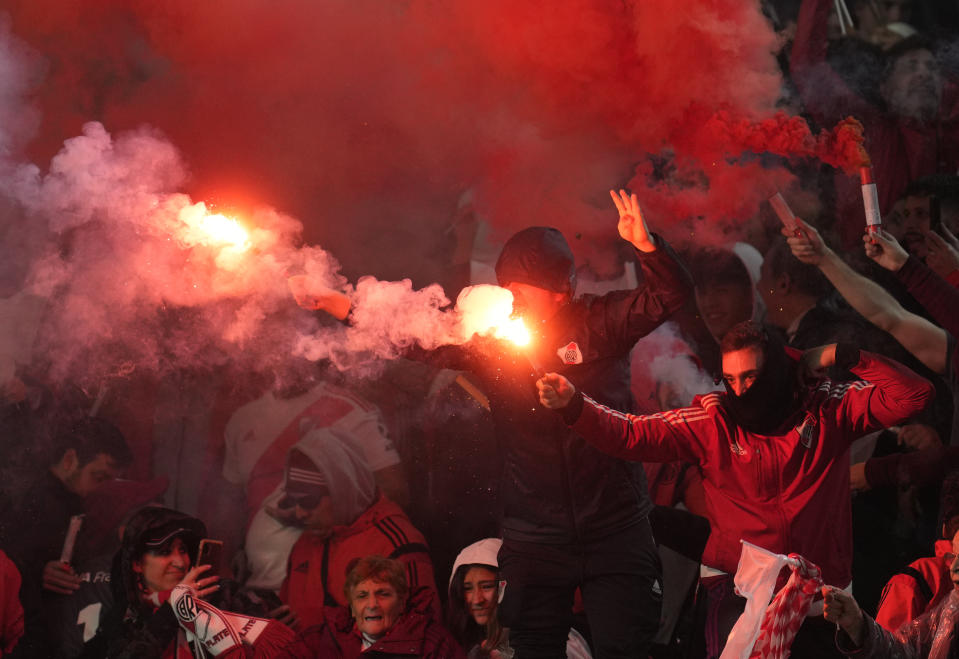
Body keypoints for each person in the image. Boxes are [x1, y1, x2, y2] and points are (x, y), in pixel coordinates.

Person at [296, 189, 693, 657]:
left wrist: (648, 248)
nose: (512, 301)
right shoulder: (492, 337)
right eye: (507, 289)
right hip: (534, 534)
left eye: (524, 291)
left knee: (625, 649)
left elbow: (670, 296)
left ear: (561, 289)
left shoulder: (602, 321)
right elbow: (423, 338)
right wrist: (342, 306)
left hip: (615, 526)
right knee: (530, 648)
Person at [537, 320, 935, 657]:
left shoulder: (828, 407)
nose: (741, 392)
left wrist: (839, 354)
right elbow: (631, 434)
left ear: (780, 370)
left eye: (752, 377)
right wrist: (575, 405)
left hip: (823, 598)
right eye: (731, 379)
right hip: (738, 589)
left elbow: (916, 395)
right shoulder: (713, 417)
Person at [791, 0, 959, 247]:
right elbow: (808, 68)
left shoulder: (948, 134)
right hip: (864, 271)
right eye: (911, 66)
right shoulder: (863, 127)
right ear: (885, 87)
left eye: (932, 68)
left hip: (937, 277)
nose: (924, 73)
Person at [80, 507, 304, 658]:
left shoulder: (218, 595)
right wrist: (174, 610)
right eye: (164, 552)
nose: (179, 562)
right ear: (137, 563)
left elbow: (267, 620)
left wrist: (261, 627)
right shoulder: (124, 617)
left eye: (183, 550)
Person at [275, 430, 438, 629]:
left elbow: (424, 637)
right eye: (292, 500)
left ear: (341, 489)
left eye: (309, 501)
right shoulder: (304, 545)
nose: (299, 513)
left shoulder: (398, 544)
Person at [0, 415, 132, 658]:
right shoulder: (29, 497)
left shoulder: (73, 501)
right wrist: (38, 572)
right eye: (98, 476)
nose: (100, 487)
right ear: (70, 460)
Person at [445, 538, 592, 658]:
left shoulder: (551, 634)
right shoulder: (467, 646)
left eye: (486, 586)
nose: (477, 599)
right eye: (468, 588)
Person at [301, 554, 464, 658]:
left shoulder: (436, 646)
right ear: (351, 606)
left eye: (383, 594)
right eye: (362, 596)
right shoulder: (321, 638)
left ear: (401, 602)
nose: (372, 604)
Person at [825, 578, 959, 657]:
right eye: (954, 555)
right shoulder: (952, 606)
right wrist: (858, 626)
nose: (954, 566)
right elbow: (904, 651)